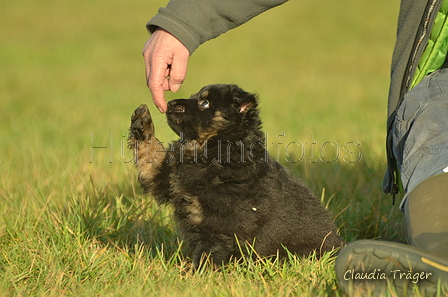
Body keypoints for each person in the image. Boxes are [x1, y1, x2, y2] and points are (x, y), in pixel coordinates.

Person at [142, 0, 448, 294]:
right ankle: (437, 261)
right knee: (431, 150)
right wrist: (181, 24)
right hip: (439, 93)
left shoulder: (241, 177)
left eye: (205, 103)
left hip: (295, 242)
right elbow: (164, 183)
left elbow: (223, 233)